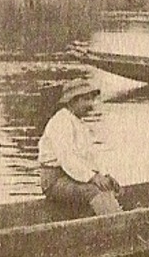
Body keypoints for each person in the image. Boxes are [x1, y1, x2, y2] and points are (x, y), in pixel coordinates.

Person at [36, 80, 123, 216]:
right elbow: (68, 159)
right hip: (54, 182)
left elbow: (88, 156)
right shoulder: (61, 121)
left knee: (107, 188)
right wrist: (93, 178)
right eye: (85, 99)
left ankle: (115, 217)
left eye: (91, 99)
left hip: (71, 176)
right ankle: (118, 225)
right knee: (93, 191)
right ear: (72, 101)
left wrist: (104, 175)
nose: (90, 104)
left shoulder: (78, 123)